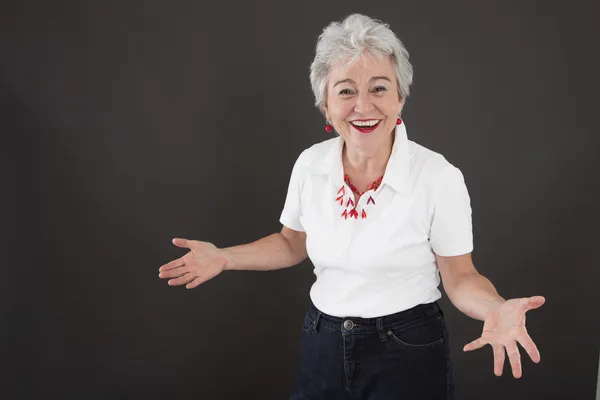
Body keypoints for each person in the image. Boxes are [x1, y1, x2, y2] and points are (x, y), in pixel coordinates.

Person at [158, 13, 545, 400]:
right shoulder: (310, 164)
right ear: (325, 106)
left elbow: (460, 277)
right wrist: (224, 257)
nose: (364, 106)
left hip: (406, 350)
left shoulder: (438, 176)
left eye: (379, 88)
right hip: (322, 344)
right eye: (345, 91)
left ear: (400, 99)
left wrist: (495, 307)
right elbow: (291, 243)